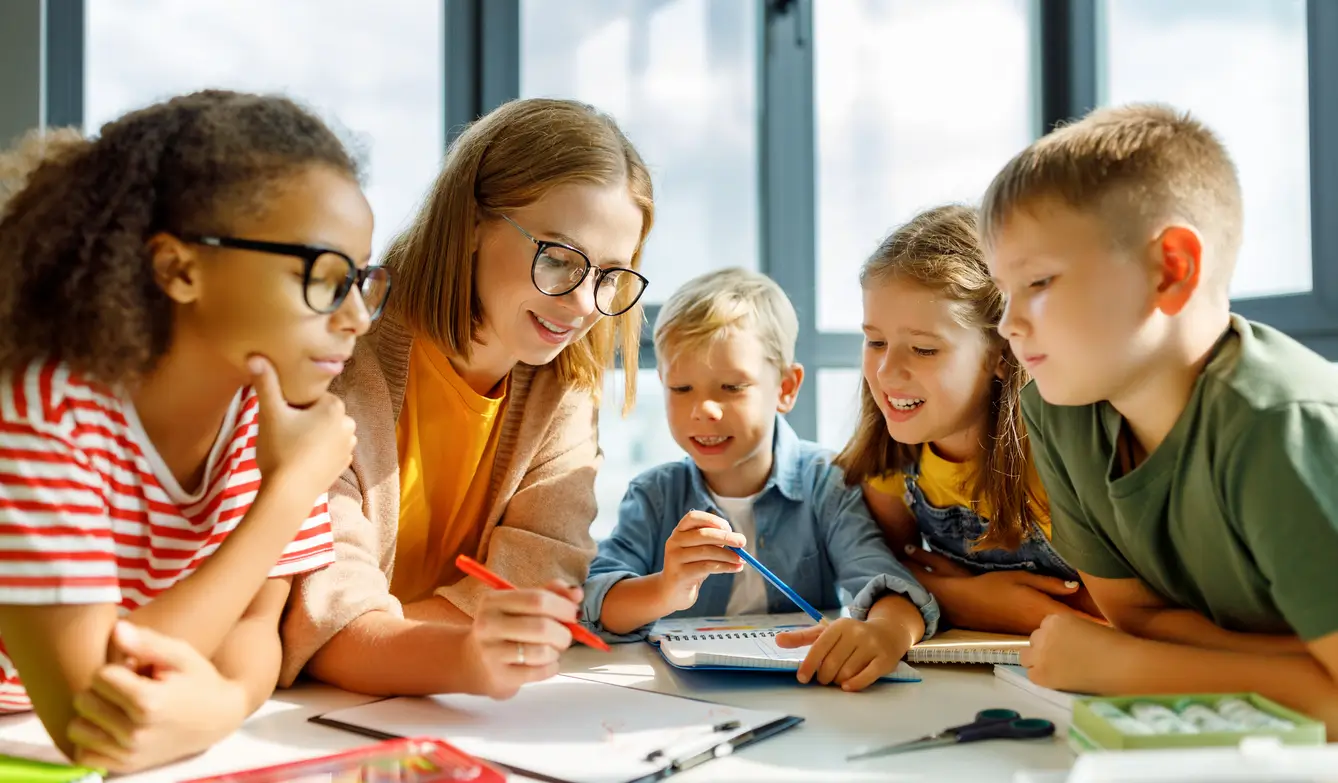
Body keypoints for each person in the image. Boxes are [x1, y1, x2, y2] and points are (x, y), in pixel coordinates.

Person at [0, 90, 383, 772]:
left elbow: (254, 626)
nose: (356, 315)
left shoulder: (267, 408)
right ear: (179, 268)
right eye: (324, 276)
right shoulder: (40, 412)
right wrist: (290, 488)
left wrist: (228, 701)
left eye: (360, 279)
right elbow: (90, 710)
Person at [983, 102, 1338, 735]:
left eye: (1037, 282)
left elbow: (1134, 643)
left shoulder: (1280, 426)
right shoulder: (1059, 415)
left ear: (1171, 269)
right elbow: (1137, 617)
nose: (1008, 322)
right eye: (1004, 292)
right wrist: (1295, 668)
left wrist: (1127, 667)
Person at [281, 98, 654, 700]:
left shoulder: (563, 391)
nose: (584, 304)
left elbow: (540, 585)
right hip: (309, 714)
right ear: (472, 223)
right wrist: (456, 647)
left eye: (609, 276)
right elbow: (328, 624)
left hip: (431, 704)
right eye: (559, 259)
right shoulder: (340, 355)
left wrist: (382, 639)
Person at [583, 268, 937, 692]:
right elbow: (596, 601)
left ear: (786, 387)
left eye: (731, 387)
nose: (704, 410)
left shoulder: (827, 482)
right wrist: (665, 589)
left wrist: (885, 631)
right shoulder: (654, 495)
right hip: (681, 694)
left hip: (808, 690)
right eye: (681, 388)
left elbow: (886, 584)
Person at [836, 205, 1098, 636]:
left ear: (1002, 354)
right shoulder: (893, 458)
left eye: (924, 349)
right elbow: (885, 570)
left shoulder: (1057, 458)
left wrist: (954, 596)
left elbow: (1110, 613)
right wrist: (974, 600)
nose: (886, 372)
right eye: (876, 342)